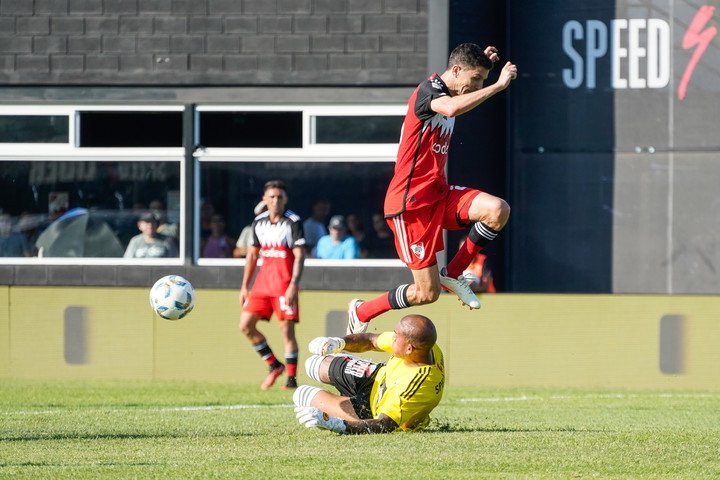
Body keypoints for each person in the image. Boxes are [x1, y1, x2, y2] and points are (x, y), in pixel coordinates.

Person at [346, 43, 517, 334]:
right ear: (456, 70)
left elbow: (461, 84)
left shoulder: (453, 86)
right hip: (410, 204)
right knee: (426, 293)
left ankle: (453, 272)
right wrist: (497, 86)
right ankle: (362, 311)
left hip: (439, 194)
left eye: (482, 81)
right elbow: (450, 106)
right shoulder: (428, 91)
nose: (477, 86)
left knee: (497, 210)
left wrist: (482, 64)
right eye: (474, 79)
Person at [293, 314, 444, 434]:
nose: (392, 337)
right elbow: (372, 340)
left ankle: (343, 403)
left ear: (409, 349)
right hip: (377, 378)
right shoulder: (424, 347)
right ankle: (343, 395)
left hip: (372, 411)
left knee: (302, 394)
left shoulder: (415, 388)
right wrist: (338, 343)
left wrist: (334, 423)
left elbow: (385, 424)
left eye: (396, 336)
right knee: (314, 363)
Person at [239, 180, 306, 390]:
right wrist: (244, 286)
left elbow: (300, 255)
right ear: (264, 199)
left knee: (286, 332)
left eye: (280, 197)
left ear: (285, 199)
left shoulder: (293, 222)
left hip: (284, 285)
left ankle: (291, 380)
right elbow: (252, 256)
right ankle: (274, 365)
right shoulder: (258, 222)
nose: (276, 200)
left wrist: (293, 284)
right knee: (245, 325)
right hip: (262, 285)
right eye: (272, 196)